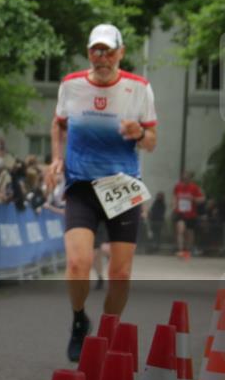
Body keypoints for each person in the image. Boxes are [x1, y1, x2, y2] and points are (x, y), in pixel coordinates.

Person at [46, 24, 157, 362]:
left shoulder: (138, 89)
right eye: (96, 50)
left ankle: (108, 330)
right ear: (88, 52)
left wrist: (138, 133)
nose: (102, 57)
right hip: (81, 185)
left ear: (121, 53)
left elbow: (152, 142)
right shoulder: (72, 84)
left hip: (121, 187)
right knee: (78, 263)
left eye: (109, 51)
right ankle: (80, 320)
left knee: (120, 273)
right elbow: (58, 123)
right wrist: (56, 158)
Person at [172, 172, 205, 259]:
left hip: (191, 214)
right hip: (180, 213)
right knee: (180, 230)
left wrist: (193, 198)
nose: (185, 180)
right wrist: (174, 205)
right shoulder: (178, 187)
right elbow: (175, 197)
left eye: (187, 179)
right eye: (183, 179)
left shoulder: (194, 187)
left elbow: (202, 199)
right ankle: (181, 250)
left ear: (190, 179)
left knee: (190, 233)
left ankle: (188, 250)